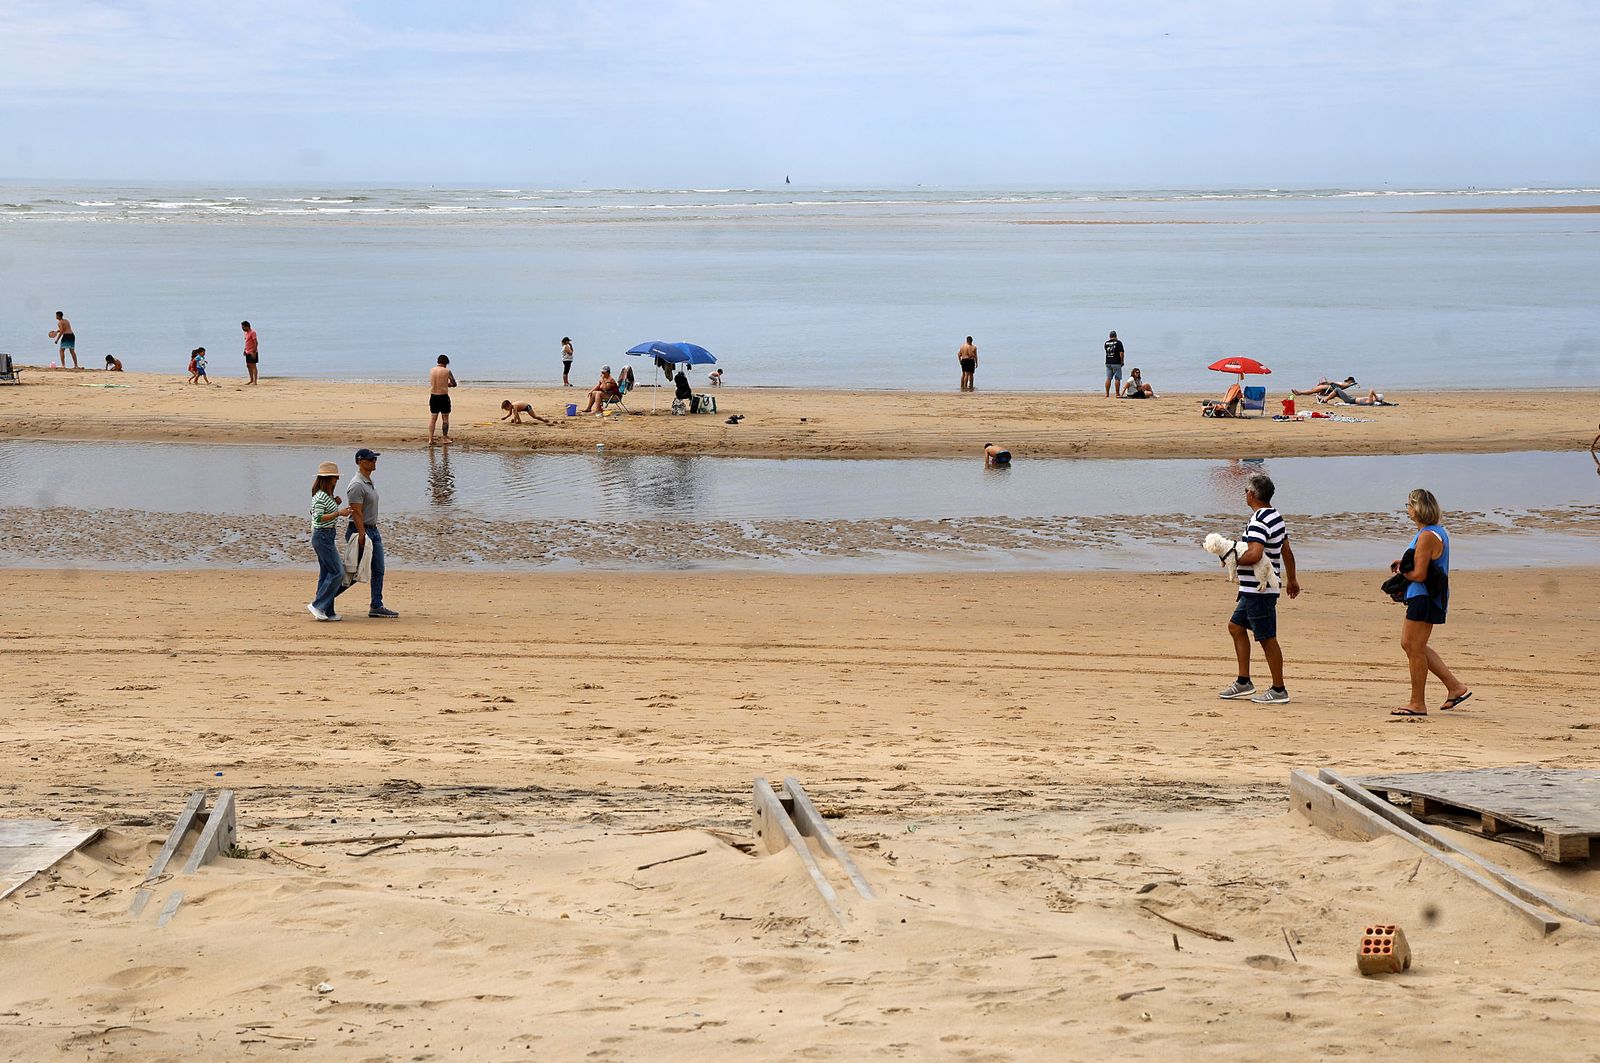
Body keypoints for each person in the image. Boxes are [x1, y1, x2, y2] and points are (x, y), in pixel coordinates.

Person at [1218, 473, 1300, 705]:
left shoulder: (1258, 521)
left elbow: (1254, 554)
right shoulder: (1275, 516)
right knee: (1235, 627)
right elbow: (1286, 551)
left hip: (1259, 591)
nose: (1244, 494)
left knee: (1267, 638)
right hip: (1254, 589)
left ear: (1252, 494)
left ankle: (1279, 689)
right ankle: (1244, 682)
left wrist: (1229, 557)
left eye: (1245, 491)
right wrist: (1292, 579)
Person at [1391, 489, 1471, 717]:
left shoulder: (1427, 535)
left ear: (1416, 509)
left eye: (1409, 505)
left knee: (1413, 647)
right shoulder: (1435, 532)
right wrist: (1405, 563)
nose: (1407, 509)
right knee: (1412, 645)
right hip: (1428, 596)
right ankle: (1455, 686)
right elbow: (1425, 563)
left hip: (1424, 596)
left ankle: (1417, 703)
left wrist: (1402, 573)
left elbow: (1419, 574)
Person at [344, 448, 399, 619]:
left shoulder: (367, 482)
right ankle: (324, 600)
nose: (374, 462)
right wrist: (362, 534)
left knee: (378, 569)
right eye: (370, 459)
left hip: (373, 531)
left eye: (374, 459)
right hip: (361, 530)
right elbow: (356, 512)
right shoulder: (356, 485)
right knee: (352, 573)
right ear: (360, 462)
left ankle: (376, 605)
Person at [308, 461, 352, 621]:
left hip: (326, 536)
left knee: (326, 572)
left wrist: (335, 503)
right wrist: (339, 513)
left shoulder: (325, 496)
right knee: (338, 571)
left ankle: (327, 610)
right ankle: (318, 605)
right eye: (335, 478)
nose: (337, 480)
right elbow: (318, 517)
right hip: (322, 536)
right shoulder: (320, 496)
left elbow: (321, 511)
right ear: (328, 479)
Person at [428, 355, 457, 446]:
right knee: (445, 418)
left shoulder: (432, 370)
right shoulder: (447, 371)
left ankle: (430, 439)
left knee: (433, 418)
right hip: (443, 397)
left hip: (433, 396)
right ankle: (444, 438)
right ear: (446, 363)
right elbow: (454, 383)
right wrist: (447, 385)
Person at [1103, 330, 1125, 398]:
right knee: (1117, 378)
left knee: (1108, 378)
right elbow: (1121, 353)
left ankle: (1107, 394)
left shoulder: (1106, 343)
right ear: (1116, 336)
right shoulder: (1118, 343)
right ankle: (1117, 393)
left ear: (1109, 336)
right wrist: (1122, 361)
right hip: (1116, 362)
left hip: (1108, 362)